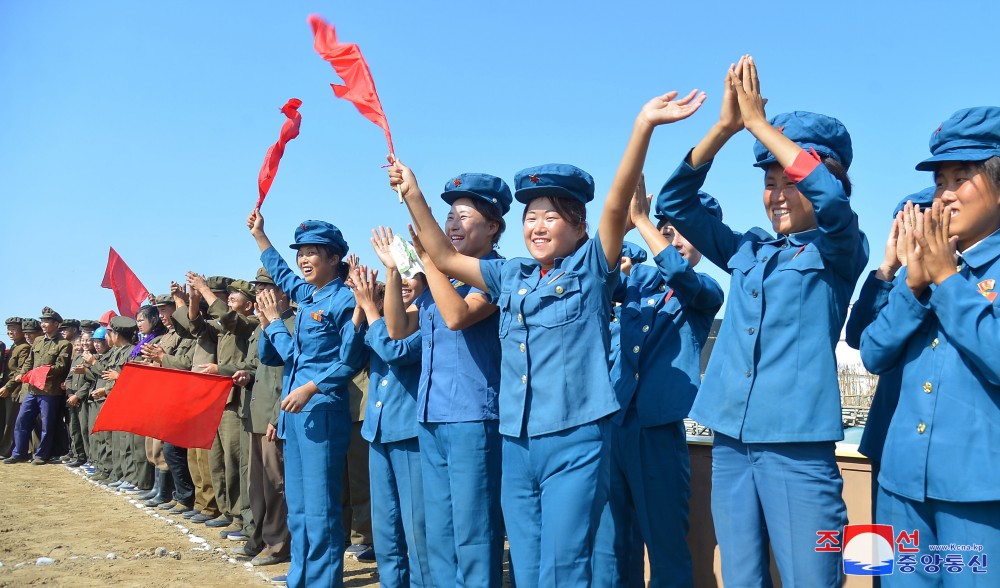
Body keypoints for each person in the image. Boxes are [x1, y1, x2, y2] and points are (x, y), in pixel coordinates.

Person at [389, 87, 704, 587]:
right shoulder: (510, 275)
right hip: (517, 441)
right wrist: (413, 194)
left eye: (551, 216)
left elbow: (618, 204)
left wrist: (643, 125)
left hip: (576, 438)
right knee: (532, 567)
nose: (537, 226)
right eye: (530, 216)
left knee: (565, 565)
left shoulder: (591, 270)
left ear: (578, 228)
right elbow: (444, 259)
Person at [655, 56, 868, 586]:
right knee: (742, 577)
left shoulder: (840, 248)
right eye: (768, 183)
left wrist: (761, 126)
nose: (776, 194)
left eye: (788, 180)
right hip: (731, 440)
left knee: (811, 578)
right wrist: (726, 127)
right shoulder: (748, 248)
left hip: (797, 446)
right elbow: (674, 202)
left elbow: (833, 206)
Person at [859, 106, 1000, 586]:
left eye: (963, 177)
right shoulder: (923, 271)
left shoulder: (952, 272)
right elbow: (873, 352)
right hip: (900, 483)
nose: (945, 195)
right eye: (940, 181)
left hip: (978, 495)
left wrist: (947, 279)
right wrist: (913, 285)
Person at [377, 172, 512, 588]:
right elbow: (398, 329)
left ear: (492, 227)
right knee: (438, 530)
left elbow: (456, 317)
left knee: (473, 530)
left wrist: (431, 262)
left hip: (474, 417)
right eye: (449, 215)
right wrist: (396, 272)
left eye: (463, 215)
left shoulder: (495, 272)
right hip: (432, 415)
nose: (452, 223)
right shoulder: (443, 279)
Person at [594, 184, 724, 587]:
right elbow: (599, 268)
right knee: (610, 549)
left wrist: (643, 222)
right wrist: (627, 225)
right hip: (612, 423)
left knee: (666, 549)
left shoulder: (705, 291)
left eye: (690, 232)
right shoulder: (635, 283)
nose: (678, 240)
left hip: (658, 431)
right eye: (669, 231)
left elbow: (681, 277)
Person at [248, 211, 368, 588]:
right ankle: (301, 574)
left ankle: (322, 579)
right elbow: (282, 275)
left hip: (320, 410)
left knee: (319, 507)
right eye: (300, 252)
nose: (303, 259)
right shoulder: (308, 294)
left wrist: (311, 386)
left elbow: (350, 360)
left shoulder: (343, 301)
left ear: (334, 258)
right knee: (298, 507)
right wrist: (260, 236)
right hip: (295, 413)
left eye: (313, 252)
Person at [352, 259, 432, 587]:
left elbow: (394, 350)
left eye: (411, 274)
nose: (404, 283)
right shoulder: (380, 318)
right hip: (378, 430)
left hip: (410, 431)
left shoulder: (428, 318)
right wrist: (361, 309)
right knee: (385, 525)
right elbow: (347, 353)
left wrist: (371, 310)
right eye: (397, 276)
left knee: (417, 527)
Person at [5, 307, 74, 465]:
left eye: (46, 321)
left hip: (50, 391)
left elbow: (61, 367)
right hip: (32, 390)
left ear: (56, 324)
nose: (43, 324)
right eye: (42, 321)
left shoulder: (64, 344)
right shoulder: (38, 341)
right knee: (22, 420)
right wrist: (23, 374)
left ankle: (42, 455)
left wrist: (40, 373)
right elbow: (29, 361)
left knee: (46, 425)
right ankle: (19, 453)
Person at [1, 318, 31, 458]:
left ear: (22, 330)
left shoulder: (24, 347)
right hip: (7, 389)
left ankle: (7, 450)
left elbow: (19, 372)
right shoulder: (14, 346)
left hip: (14, 390)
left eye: (13, 329)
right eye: (8, 329)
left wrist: (8, 386)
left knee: (10, 422)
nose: (9, 332)